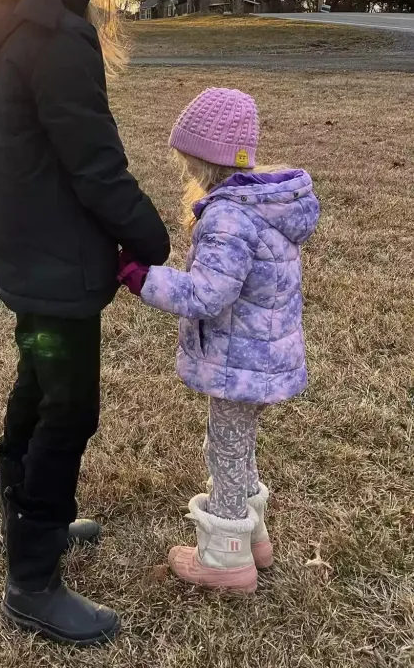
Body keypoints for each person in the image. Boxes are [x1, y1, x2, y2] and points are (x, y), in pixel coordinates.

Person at [0, 0, 170, 645]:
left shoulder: (3, 20)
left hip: (23, 254)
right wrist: (152, 240)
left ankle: (23, 514)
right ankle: (32, 580)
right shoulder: (57, 33)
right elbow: (96, 166)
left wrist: (25, 203)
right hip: (60, 264)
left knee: (38, 377)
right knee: (68, 407)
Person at [119, 88, 320, 592]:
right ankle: (255, 540)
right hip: (261, 357)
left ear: (201, 157)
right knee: (237, 445)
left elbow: (207, 295)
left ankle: (225, 560)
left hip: (239, 362)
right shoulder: (262, 206)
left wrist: (143, 278)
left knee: (225, 450)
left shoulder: (228, 218)